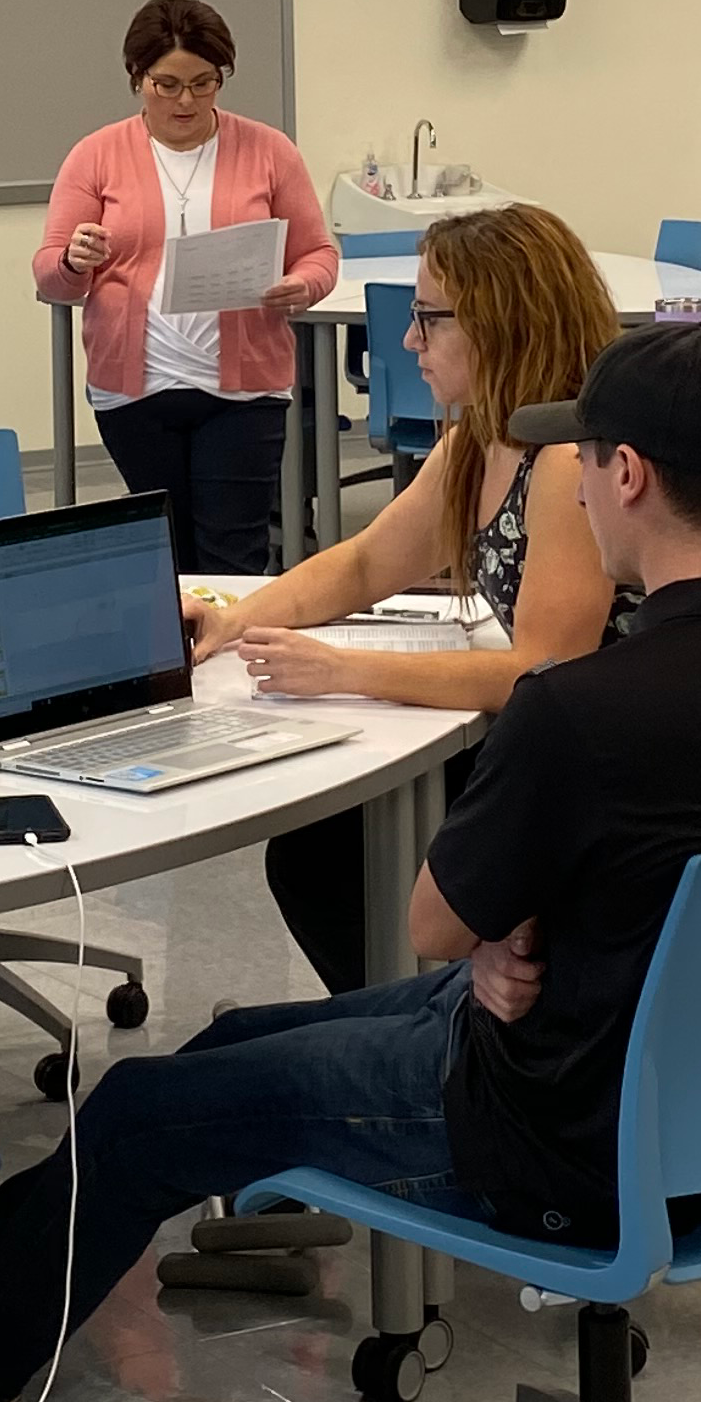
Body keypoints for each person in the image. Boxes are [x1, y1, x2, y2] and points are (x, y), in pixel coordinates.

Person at [0, 325, 701, 1402]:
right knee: (224, 1044)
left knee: (137, 1109)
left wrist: (507, 927)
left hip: (553, 1133)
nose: (581, 493)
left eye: (587, 463)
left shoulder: (581, 710)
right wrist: (536, 926)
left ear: (630, 474)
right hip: (699, 1100)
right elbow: (692, 870)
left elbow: (430, 922)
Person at [191, 203, 623, 994]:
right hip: (545, 747)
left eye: (429, 319)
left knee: (323, 851)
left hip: (597, 777)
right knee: (320, 844)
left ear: (501, 323)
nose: (407, 341)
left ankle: (419, 1017)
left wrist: (344, 669)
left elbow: (542, 668)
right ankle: (405, 1009)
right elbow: (361, 565)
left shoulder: (565, 462)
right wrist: (233, 619)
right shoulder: (477, 442)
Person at [34, 0, 338, 575]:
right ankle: (174, 663)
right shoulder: (96, 155)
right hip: (135, 390)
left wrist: (302, 285)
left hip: (245, 390)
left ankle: (231, 662)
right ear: (136, 77)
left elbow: (319, 254)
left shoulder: (269, 151)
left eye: (204, 83)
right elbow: (51, 273)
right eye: (167, 84)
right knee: (164, 551)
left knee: (234, 549)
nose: (186, 101)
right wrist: (76, 260)